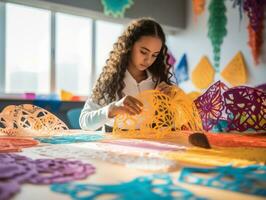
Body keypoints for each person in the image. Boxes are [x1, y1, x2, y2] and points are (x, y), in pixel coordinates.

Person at [80, 18, 174, 132]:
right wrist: (112, 109)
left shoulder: (158, 81)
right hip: (113, 146)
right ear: (129, 46)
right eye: (143, 52)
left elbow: (169, 127)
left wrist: (171, 104)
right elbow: (84, 122)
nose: (148, 60)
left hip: (147, 146)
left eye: (154, 55)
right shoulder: (109, 79)